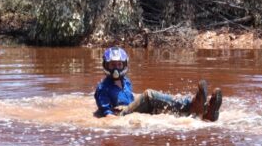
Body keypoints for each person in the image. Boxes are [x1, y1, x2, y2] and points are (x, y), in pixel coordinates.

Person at [94, 46, 222, 121]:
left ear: (124, 65)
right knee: (149, 95)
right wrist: (125, 120)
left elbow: (130, 98)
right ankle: (192, 104)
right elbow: (108, 116)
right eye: (112, 65)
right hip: (120, 115)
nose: (116, 68)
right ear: (106, 66)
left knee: (162, 106)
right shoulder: (102, 89)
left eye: (119, 64)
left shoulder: (126, 82)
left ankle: (206, 111)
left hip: (130, 110)